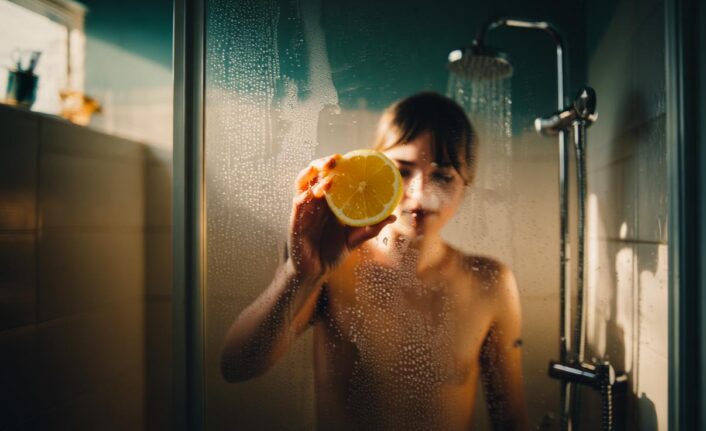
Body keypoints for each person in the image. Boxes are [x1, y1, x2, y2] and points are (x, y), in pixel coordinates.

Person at [220, 92, 528, 430]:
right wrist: (297, 274)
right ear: (378, 172)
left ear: (465, 188)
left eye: (442, 176)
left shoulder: (488, 281)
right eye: (402, 171)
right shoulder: (336, 267)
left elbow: (510, 418)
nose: (418, 193)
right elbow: (236, 366)